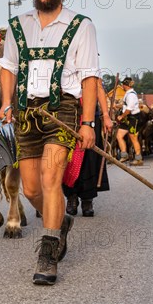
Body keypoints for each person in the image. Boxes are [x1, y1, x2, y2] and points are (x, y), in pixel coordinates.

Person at [0, 0, 98, 285]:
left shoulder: (82, 26)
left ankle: (48, 251)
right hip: (27, 113)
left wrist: (88, 123)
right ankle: (61, 222)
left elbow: (89, 78)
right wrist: (6, 103)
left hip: (63, 110)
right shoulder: (17, 25)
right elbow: (8, 68)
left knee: (51, 178)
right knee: (30, 188)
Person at [64, 79, 113, 217]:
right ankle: (71, 197)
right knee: (68, 157)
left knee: (89, 158)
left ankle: (87, 199)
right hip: (68, 115)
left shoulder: (90, 62)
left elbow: (98, 88)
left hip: (90, 117)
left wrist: (106, 115)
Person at [115, 77, 143, 166]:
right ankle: (124, 155)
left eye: (123, 84)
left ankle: (138, 159)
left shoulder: (131, 95)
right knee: (119, 135)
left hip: (133, 118)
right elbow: (125, 105)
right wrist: (116, 106)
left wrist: (121, 116)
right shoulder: (127, 94)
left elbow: (129, 109)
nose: (122, 86)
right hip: (127, 118)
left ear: (125, 85)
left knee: (133, 138)